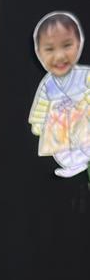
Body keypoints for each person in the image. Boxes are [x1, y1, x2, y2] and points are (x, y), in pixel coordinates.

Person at [29, 10, 90, 179]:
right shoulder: (47, 84)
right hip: (60, 127)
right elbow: (41, 104)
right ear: (39, 52)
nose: (59, 56)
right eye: (49, 49)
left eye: (67, 46)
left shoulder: (84, 75)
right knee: (62, 150)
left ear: (79, 44)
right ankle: (73, 165)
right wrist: (38, 122)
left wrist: (85, 101)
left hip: (83, 120)